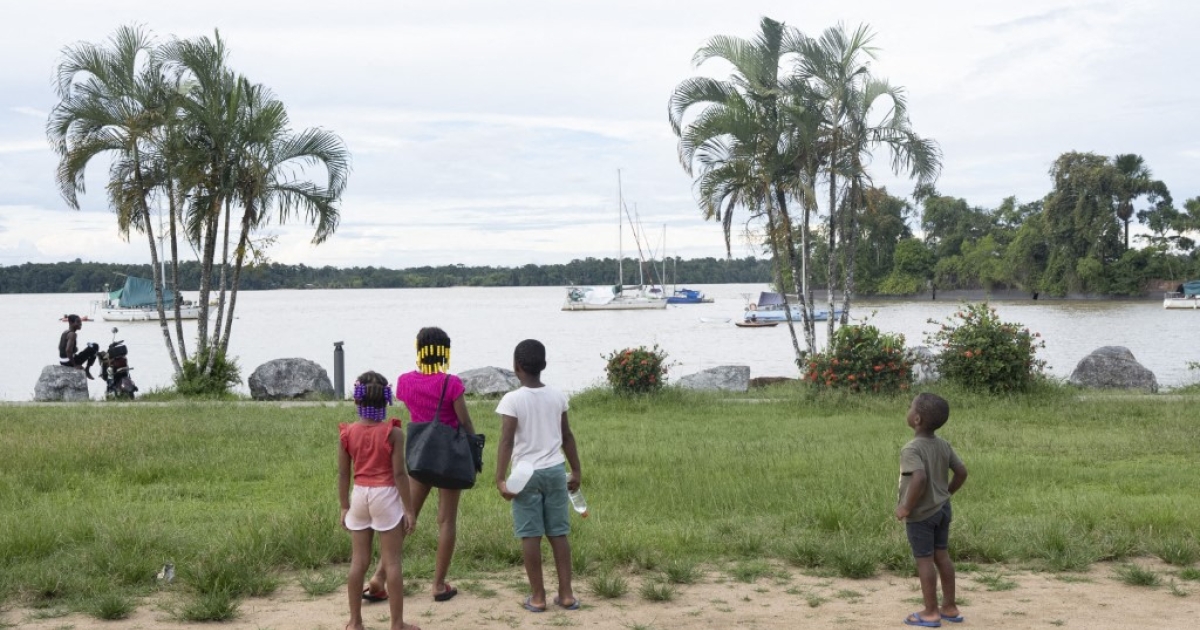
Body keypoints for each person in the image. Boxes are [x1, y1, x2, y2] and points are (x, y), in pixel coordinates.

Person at [365, 327, 477, 603]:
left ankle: (379, 578)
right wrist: (474, 450)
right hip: (449, 457)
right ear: (444, 352)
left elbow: (414, 408)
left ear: (419, 350)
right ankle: (438, 585)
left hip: (420, 456)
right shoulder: (452, 384)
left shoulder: (405, 382)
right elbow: (464, 422)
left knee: (405, 517)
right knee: (446, 520)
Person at [495, 339, 582, 613]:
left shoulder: (512, 399)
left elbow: (506, 442)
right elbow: (567, 436)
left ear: (516, 367)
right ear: (544, 365)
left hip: (525, 474)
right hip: (556, 471)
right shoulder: (557, 396)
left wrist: (500, 479)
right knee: (559, 533)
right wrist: (576, 469)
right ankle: (566, 594)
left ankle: (538, 596)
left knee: (530, 535)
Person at [339, 371, 419, 630]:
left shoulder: (348, 433)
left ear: (356, 400)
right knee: (392, 562)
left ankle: (354, 621)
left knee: (358, 562)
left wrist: (344, 506)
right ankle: (397, 624)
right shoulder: (392, 433)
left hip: (360, 495)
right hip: (385, 496)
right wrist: (409, 509)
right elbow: (399, 474)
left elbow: (343, 473)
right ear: (386, 401)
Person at [895, 393, 969, 627]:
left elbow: (919, 478)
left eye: (910, 407)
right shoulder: (943, 445)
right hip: (943, 510)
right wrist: (945, 493)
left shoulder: (911, 449)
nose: (907, 410)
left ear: (916, 419)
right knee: (942, 556)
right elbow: (962, 472)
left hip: (922, 515)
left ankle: (930, 612)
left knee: (924, 560)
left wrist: (906, 506)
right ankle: (949, 606)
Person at [58, 314, 97, 379]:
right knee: (94, 347)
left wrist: (74, 349)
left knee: (88, 348)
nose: (80, 324)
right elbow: (68, 350)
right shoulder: (73, 334)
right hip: (69, 362)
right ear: (71, 322)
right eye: (78, 322)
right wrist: (75, 365)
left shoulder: (65, 332)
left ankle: (85, 368)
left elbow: (60, 347)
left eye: (80, 322)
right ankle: (87, 370)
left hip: (62, 361)